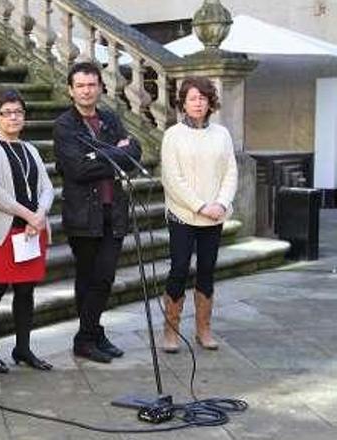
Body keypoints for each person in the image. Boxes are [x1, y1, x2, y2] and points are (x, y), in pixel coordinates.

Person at [53, 61, 141, 364]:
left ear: (100, 88)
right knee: (89, 276)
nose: (87, 90)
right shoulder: (65, 125)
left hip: (113, 211)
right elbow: (76, 168)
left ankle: (90, 332)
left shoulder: (110, 118)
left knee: (105, 277)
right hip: (83, 214)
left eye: (92, 84)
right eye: (81, 85)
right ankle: (88, 337)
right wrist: (116, 151)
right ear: (71, 90)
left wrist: (100, 153)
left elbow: (135, 153)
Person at [0, 88, 55, 374]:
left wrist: (40, 215)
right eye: (7, 113)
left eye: (18, 112)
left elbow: (46, 187)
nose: (13, 118)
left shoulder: (30, 148)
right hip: (1, 234)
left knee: (26, 292)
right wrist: (31, 216)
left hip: (29, 233)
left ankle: (23, 348)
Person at [160, 76, 237, 352]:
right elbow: (172, 178)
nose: (198, 103)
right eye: (192, 98)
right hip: (183, 214)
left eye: (203, 98)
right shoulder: (172, 135)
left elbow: (230, 172)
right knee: (179, 268)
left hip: (215, 215)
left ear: (210, 102)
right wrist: (200, 206)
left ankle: (203, 329)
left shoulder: (222, 134)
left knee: (207, 270)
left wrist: (220, 203)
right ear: (183, 101)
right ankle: (171, 330)